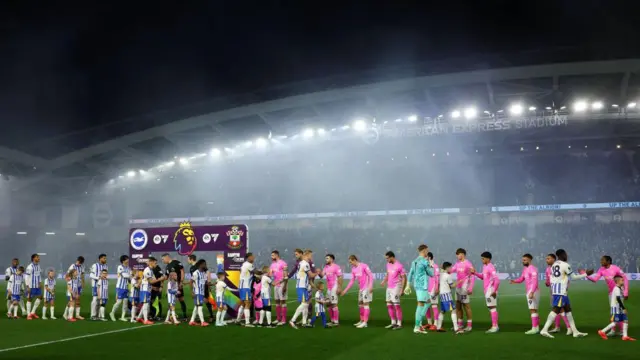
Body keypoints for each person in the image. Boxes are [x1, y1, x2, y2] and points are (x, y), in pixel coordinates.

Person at [540, 249, 593, 338]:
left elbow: (552, 278)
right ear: (563, 255)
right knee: (556, 310)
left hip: (558, 291)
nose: (567, 256)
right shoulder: (565, 265)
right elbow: (574, 277)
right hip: (560, 291)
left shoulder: (554, 265)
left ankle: (575, 331)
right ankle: (544, 330)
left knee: (568, 310)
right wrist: (586, 274)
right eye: (566, 254)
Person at [587, 255, 630, 337]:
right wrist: (585, 275)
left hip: (619, 292)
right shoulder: (601, 270)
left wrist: (626, 291)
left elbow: (625, 278)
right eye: (601, 260)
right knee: (614, 311)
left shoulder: (615, 268)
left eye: (603, 260)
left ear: (608, 261)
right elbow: (595, 279)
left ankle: (618, 330)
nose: (601, 261)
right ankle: (615, 330)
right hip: (611, 293)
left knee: (619, 310)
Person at [405, 244, 434, 334]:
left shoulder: (414, 261)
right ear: (424, 250)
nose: (428, 252)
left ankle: (419, 324)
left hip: (417, 285)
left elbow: (410, 273)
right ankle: (417, 326)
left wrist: (408, 285)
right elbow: (431, 274)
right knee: (421, 304)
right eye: (427, 250)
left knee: (427, 302)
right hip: (422, 286)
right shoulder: (424, 261)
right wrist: (430, 264)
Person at [598, 275, 635, 341]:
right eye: (622, 280)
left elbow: (621, 298)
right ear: (617, 281)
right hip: (616, 308)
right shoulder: (616, 289)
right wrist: (623, 308)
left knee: (625, 320)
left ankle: (625, 336)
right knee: (615, 322)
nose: (623, 281)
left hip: (619, 308)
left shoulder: (621, 288)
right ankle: (602, 331)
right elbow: (618, 299)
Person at [510, 253, 540, 334]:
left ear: (529, 260)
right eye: (522, 260)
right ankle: (536, 327)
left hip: (532, 291)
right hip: (530, 291)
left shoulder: (533, 269)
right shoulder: (525, 269)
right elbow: (521, 278)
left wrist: (532, 292)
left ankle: (534, 328)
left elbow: (535, 281)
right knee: (534, 310)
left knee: (532, 310)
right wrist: (514, 281)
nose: (523, 261)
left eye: (524, 260)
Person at [341, 254, 373, 329]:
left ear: (354, 260)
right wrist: (345, 290)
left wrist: (370, 286)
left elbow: (370, 275)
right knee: (360, 304)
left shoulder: (364, 266)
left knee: (365, 304)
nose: (350, 263)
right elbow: (352, 281)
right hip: (361, 289)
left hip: (366, 288)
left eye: (350, 262)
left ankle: (365, 322)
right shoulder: (353, 269)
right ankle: (362, 320)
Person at [471, 251, 500, 333]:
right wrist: (475, 273)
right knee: (491, 308)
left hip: (490, 290)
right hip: (487, 290)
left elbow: (497, 280)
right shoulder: (485, 266)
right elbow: (483, 277)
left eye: (483, 258)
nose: (482, 260)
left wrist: (494, 291)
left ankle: (495, 326)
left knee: (492, 307)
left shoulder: (491, 267)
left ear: (488, 259)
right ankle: (495, 326)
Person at [290, 250, 317, 329]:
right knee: (304, 304)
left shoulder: (301, 263)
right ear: (307, 255)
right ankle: (292, 320)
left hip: (302, 286)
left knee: (306, 304)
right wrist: (317, 272)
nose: (311, 257)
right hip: (302, 286)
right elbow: (311, 275)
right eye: (310, 256)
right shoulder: (305, 264)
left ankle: (304, 323)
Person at [380, 251, 405, 330]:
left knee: (396, 305)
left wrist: (402, 289)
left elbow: (404, 278)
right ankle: (393, 322)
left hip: (396, 287)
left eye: (387, 258)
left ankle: (399, 324)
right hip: (389, 287)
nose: (386, 260)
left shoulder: (399, 266)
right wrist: (384, 281)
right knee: (389, 304)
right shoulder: (388, 264)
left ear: (392, 257)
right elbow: (388, 274)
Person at [451, 248, 474, 332]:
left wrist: (470, 288)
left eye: (458, 254)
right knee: (458, 305)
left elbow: (472, 276)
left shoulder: (468, 264)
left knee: (466, 306)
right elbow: (451, 270)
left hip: (465, 287)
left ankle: (469, 325)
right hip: (458, 287)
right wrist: (442, 268)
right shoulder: (457, 264)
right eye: (456, 254)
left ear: (463, 254)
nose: (457, 256)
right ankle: (460, 324)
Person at [436, 262, 461, 334]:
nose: (451, 269)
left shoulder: (441, 275)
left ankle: (438, 327)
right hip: (447, 296)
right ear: (447, 268)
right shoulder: (448, 276)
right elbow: (452, 286)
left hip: (442, 295)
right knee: (453, 310)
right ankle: (456, 328)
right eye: (450, 267)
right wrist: (459, 282)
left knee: (442, 311)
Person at [162, 253, 187, 320]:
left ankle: (185, 316)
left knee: (181, 299)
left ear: (167, 257)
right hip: (171, 286)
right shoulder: (167, 267)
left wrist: (181, 282)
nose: (162, 260)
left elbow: (182, 271)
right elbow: (167, 277)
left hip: (178, 284)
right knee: (171, 301)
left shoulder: (176, 263)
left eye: (163, 259)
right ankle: (170, 316)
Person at [322, 254, 343, 327]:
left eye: (327, 258)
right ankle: (332, 320)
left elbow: (340, 277)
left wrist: (339, 288)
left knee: (334, 304)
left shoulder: (336, 267)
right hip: (329, 287)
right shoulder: (326, 267)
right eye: (326, 258)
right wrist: (318, 272)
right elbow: (322, 275)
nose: (326, 260)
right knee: (328, 303)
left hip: (335, 286)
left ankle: (336, 322)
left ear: (332, 259)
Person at [269, 250, 288, 325]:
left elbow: (286, 276)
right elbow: (270, 274)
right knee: (277, 301)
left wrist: (285, 286)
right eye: (271, 255)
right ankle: (278, 318)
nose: (271, 257)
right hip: (276, 285)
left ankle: (283, 320)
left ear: (277, 255)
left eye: (273, 255)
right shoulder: (272, 265)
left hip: (282, 284)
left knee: (282, 301)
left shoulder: (283, 263)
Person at [237, 253, 255, 327]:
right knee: (248, 303)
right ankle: (247, 323)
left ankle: (238, 320)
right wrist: (265, 272)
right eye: (252, 257)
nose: (253, 258)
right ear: (248, 257)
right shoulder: (248, 264)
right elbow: (256, 271)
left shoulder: (244, 264)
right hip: (245, 287)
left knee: (243, 304)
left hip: (242, 286)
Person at [189, 259, 209, 327]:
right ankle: (202, 322)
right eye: (204, 264)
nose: (205, 265)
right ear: (200, 265)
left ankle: (191, 321)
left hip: (202, 293)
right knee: (200, 307)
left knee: (196, 307)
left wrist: (212, 285)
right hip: (197, 293)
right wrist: (192, 292)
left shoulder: (204, 273)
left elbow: (205, 283)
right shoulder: (196, 273)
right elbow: (191, 282)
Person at [139, 257, 159, 325]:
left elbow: (152, 280)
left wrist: (153, 287)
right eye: (155, 263)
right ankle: (146, 320)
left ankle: (139, 318)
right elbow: (151, 281)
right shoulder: (147, 270)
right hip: (145, 289)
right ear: (151, 262)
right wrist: (160, 279)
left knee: (146, 304)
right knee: (146, 304)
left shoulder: (151, 270)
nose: (156, 264)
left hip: (148, 289)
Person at [89, 254, 108, 320]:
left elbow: (105, 275)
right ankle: (93, 315)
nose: (105, 259)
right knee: (95, 300)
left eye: (105, 258)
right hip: (95, 285)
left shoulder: (106, 266)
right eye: (104, 258)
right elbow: (91, 274)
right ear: (100, 259)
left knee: (101, 301)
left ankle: (99, 315)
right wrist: (98, 278)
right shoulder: (95, 265)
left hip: (103, 287)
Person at [25, 254, 43, 320]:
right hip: (31, 286)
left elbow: (39, 275)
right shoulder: (30, 267)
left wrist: (40, 282)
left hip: (37, 286)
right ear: (33, 258)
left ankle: (33, 312)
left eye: (38, 257)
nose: (39, 258)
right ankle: (28, 314)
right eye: (37, 257)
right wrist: (27, 286)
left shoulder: (38, 266)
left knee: (40, 297)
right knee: (30, 299)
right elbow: (26, 277)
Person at [425, 252, 439, 330]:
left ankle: (436, 324)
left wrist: (436, 288)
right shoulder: (425, 266)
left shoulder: (435, 267)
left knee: (434, 305)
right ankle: (429, 323)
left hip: (433, 289)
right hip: (426, 289)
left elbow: (437, 278)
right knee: (426, 306)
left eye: (425, 257)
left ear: (429, 258)